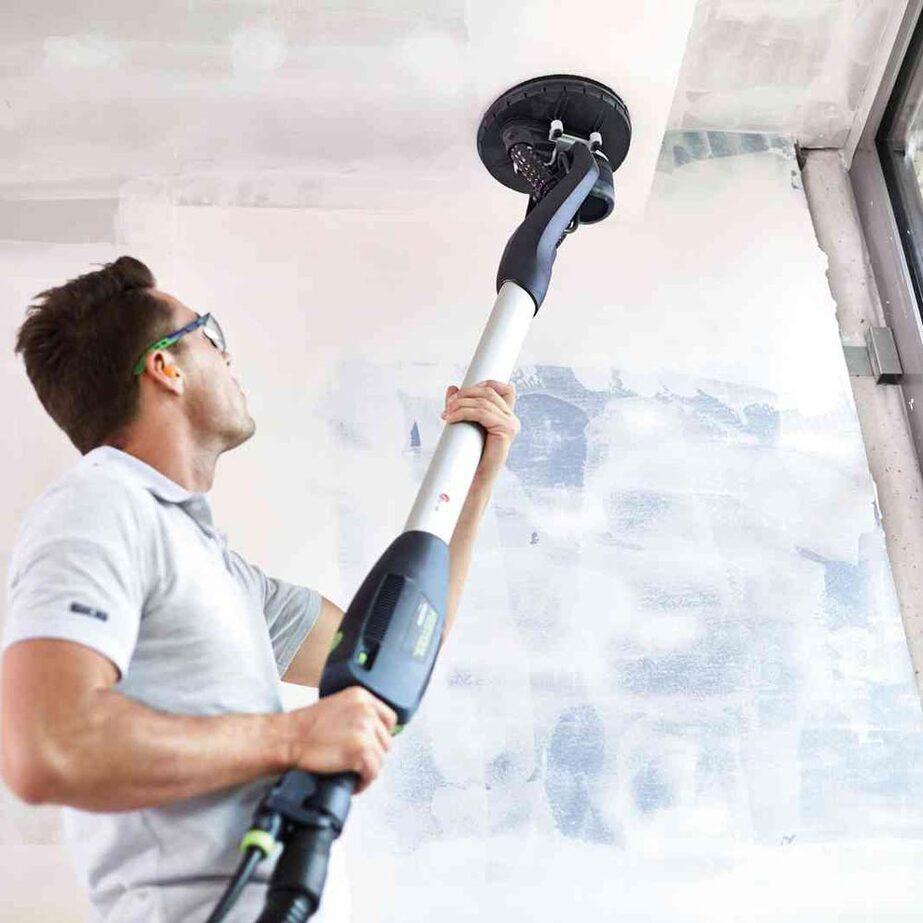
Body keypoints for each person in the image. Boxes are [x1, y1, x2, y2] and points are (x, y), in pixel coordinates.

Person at [0, 256, 521, 922]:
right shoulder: (99, 504)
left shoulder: (219, 569)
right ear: (165, 367)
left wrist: (474, 480)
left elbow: (399, 653)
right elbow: (48, 746)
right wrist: (292, 738)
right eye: (209, 334)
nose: (227, 355)